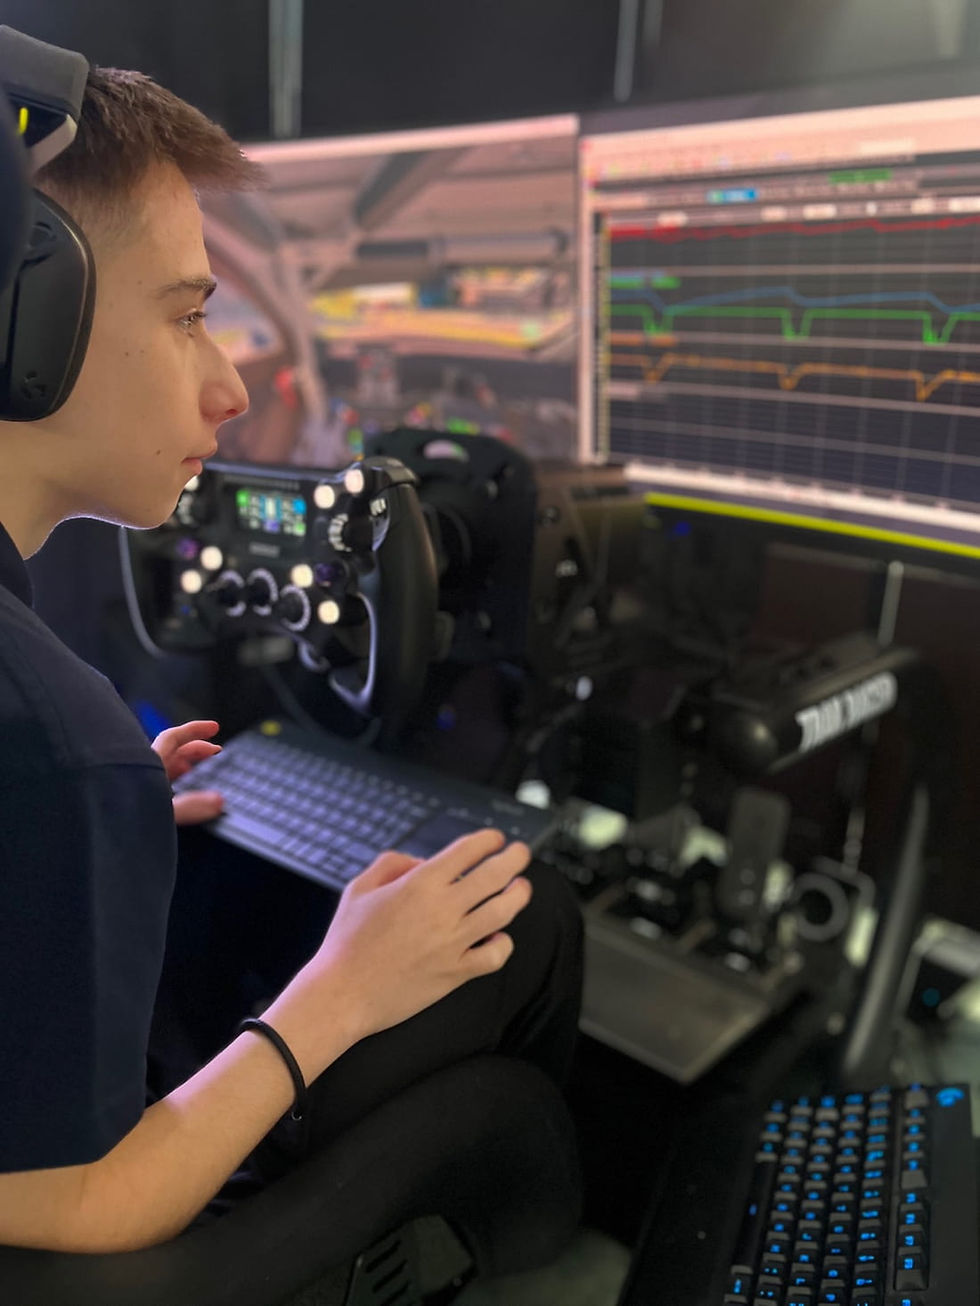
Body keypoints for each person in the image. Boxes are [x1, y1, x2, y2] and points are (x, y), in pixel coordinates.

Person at [0, 66, 582, 1254]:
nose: (228, 387)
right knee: (535, 918)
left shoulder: (51, 749)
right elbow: (77, 1211)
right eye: (186, 315)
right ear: (26, 314)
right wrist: (338, 995)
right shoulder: (55, 734)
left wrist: (73, 824)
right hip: (104, 1238)